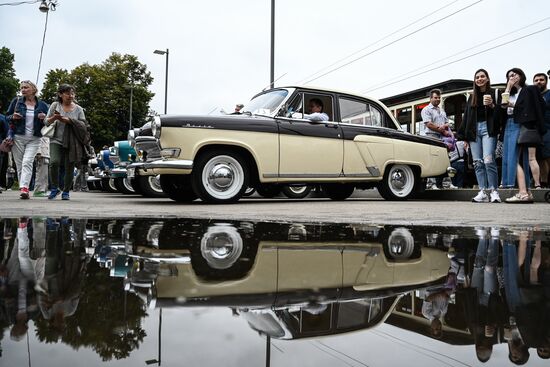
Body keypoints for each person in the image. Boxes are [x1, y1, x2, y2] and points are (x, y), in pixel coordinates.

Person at [457, 69, 501, 203]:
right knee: (477, 162)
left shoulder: (494, 93)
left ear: (487, 78)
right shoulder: (472, 97)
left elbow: (501, 114)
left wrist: (493, 105)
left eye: (482, 76)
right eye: (477, 77)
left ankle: (494, 191)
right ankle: (482, 191)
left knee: (488, 160)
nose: (480, 79)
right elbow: (467, 118)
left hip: (488, 130)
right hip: (474, 131)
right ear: (475, 80)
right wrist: (464, 137)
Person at [503, 68, 546, 203]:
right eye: (509, 76)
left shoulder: (530, 89)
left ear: (521, 75)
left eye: (514, 74)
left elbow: (536, 107)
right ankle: (528, 192)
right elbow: (504, 104)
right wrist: (509, 87)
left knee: (518, 159)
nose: (512, 77)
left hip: (525, 126)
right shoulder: (519, 92)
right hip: (524, 126)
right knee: (525, 159)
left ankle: (523, 193)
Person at [5, 81, 49, 199]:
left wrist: (44, 118)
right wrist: (13, 117)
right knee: (19, 165)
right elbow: (7, 117)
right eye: (21, 88)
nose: (23, 90)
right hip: (18, 137)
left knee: (27, 162)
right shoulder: (16, 102)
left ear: (33, 89)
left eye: (26, 87)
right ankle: (23, 188)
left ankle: (24, 188)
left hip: (35, 138)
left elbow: (49, 122)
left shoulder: (43, 105)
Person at [45, 84, 89, 201]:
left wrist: (69, 120)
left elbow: (84, 125)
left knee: (69, 166)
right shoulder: (55, 105)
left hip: (72, 141)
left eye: (72, 93)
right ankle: (54, 188)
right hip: (56, 139)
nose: (71, 96)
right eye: (68, 93)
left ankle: (65, 191)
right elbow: (46, 122)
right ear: (60, 94)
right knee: (54, 162)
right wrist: (54, 118)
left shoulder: (79, 109)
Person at [421, 89, 449, 189]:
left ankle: (442, 183)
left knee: (441, 160)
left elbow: (447, 122)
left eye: (439, 98)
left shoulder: (441, 110)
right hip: (431, 136)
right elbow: (428, 124)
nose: (437, 99)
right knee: (431, 159)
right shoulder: (426, 109)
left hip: (441, 137)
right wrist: (441, 129)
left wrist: (444, 127)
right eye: (435, 97)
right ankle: (431, 183)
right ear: (431, 98)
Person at [533, 73, 550, 187]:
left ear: (546, 81)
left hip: (548, 128)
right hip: (535, 130)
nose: (539, 82)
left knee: (547, 155)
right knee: (538, 157)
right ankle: (542, 181)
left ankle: (545, 180)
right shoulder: (532, 95)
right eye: (536, 80)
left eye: (541, 80)